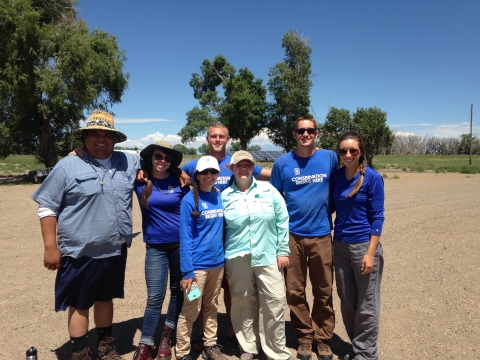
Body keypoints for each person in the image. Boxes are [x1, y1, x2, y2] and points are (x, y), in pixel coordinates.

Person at [31, 110, 141, 360]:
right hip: (80, 250)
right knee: (80, 304)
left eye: (107, 135)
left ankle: (105, 346)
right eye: (94, 134)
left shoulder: (128, 161)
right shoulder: (68, 165)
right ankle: (80, 352)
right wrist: (50, 247)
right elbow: (47, 206)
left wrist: (181, 172)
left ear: (115, 139)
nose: (101, 139)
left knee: (105, 298)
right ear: (84, 138)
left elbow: (158, 161)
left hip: (114, 247)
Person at [182, 123, 271, 346]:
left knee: (229, 292)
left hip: (225, 244)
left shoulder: (234, 163)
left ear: (228, 138)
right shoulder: (196, 164)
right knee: (194, 299)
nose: (210, 175)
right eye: (214, 136)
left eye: (222, 136)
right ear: (207, 139)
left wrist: (302, 159)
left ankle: (232, 332)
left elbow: (267, 173)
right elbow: (176, 169)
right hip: (199, 253)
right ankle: (190, 341)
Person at [270, 117, 338, 360]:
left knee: (323, 290)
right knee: (295, 291)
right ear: (294, 134)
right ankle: (305, 337)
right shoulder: (282, 163)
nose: (306, 134)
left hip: (321, 235)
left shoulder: (329, 157)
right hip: (292, 236)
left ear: (316, 133)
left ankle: (323, 338)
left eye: (310, 130)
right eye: (301, 130)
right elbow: (276, 200)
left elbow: (341, 183)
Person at [222, 151, 296, 360]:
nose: (243, 169)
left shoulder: (269, 190)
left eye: (247, 165)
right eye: (239, 165)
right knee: (242, 301)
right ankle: (248, 346)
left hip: (267, 255)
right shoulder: (225, 196)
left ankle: (276, 350)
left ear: (253, 168)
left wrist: (283, 250)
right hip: (237, 256)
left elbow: (282, 220)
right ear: (232, 168)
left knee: (274, 301)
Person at [132, 141, 190, 360]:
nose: (162, 161)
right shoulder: (140, 180)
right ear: (150, 158)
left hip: (179, 245)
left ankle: (167, 335)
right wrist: (78, 152)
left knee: (177, 292)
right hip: (155, 247)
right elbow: (117, 161)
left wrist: (181, 171)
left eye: (167, 158)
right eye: (158, 156)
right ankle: (146, 342)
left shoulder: (180, 181)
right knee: (155, 296)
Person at [330, 131, 385, 360]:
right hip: (340, 245)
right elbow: (331, 206)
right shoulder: (336, 176)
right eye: (344, 151)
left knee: (367, 302)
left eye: (353, 150)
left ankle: (366, 353)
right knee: (347, 300)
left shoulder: (372, 177)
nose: (348, 154)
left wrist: (371, 253)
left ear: (360, 151)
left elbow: (378, 216)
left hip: (364, 245)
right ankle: (357, 345)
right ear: (339, 153)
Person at [175, 156, 226, 360]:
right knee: (191, 308)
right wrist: (187, 271)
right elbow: (185, 238)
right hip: (197, 269)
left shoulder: (218, 195)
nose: (209, 176)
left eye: (213, 172)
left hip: (217, 265)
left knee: (212, 305)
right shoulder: (190, 201)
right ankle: (182, 351)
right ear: (196, 175)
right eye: (204, 172)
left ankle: (210, 344)